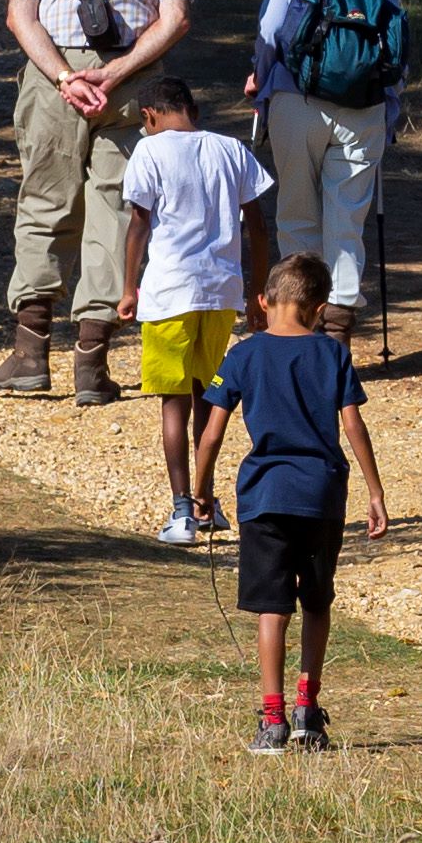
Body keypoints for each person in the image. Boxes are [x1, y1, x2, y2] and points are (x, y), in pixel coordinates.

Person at [0, 0, 190, 406]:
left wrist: (64, 76)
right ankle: (91, 365)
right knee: (118, 211)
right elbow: (176, 17)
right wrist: (116, 72)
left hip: (55, 77)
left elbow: (20, 15)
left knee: (44, 202)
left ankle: (29, 356)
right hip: (132, 82)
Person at [216, 249, 389, 754]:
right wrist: (375, 492)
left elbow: (211, 433)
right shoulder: (332, 354)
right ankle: (307, 711)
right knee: (316, 601)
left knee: (272, 610)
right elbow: (353, 425)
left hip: (264, 496)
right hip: (322, 496)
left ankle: (272, 721)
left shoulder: (242, 355)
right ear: (319, 310)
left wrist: (198, 492)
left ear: (262, 301)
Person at [116, 66, 273, 549]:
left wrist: (128, 287)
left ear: (148, 117)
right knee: (209, 397)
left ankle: (182, 507)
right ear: (195, 111)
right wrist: (258, 290)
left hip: (169, 292)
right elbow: (257, 225)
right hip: (221, 292)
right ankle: (207, 500)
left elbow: (139, 224)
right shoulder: (231, 149)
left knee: (173, 403)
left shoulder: (148, 150)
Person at [247, 0, 409, 341]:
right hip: (364, 109)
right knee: (347, 221)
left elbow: (269, 32)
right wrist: (388, 106)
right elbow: (398, 53)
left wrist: (261, 80)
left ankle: (300, 325)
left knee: (297, 214)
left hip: (297, 101)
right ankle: (337, 333)